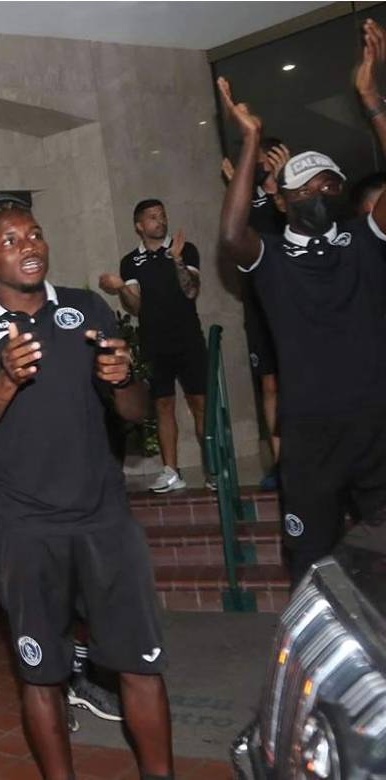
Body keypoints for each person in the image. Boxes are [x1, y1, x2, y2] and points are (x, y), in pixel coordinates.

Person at [0, 194, 172, 780]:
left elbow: (134, 409)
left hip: (104, 520)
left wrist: (122, 381)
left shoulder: (86, 307)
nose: (29, 246)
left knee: (141, 667)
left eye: (34, 233)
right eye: (10, 241)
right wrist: (5, 379)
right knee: (42, 676)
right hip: (26, 530)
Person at [216, 20, 386, 585]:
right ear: (284, 200)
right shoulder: (271, 258)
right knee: (313, 575)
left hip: (378, 432)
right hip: (310, 442)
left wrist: (371, 103)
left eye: (329, 185)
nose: (319, 193)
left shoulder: (364, 241)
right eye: (305, 188)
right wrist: (248, 140)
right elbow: (232, 232)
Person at [98, 200, 207, 493]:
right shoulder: (131, 261)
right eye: (153, 217)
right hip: (154, 342)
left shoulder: (186, 249)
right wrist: (122, 288)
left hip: (188, 338)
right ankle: (171, 471)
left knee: (200, 403)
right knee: (162, 404)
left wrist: (177, 260)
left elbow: (191, 291)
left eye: (162, 215)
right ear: (139, 226)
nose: (160, 221)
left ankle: (214, 468)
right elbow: (136, 308)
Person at [223, 139, 290, 489]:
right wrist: (241, 185)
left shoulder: (291, 194)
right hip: (257, 304)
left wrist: (280, 187)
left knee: (300, 379)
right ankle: (280, 463)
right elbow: (233, 237)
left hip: (293, 304)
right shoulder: (244, 198)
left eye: (267, 159)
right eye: (258, 159)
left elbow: (300, 227)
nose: (262, 164)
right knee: (269, 383)